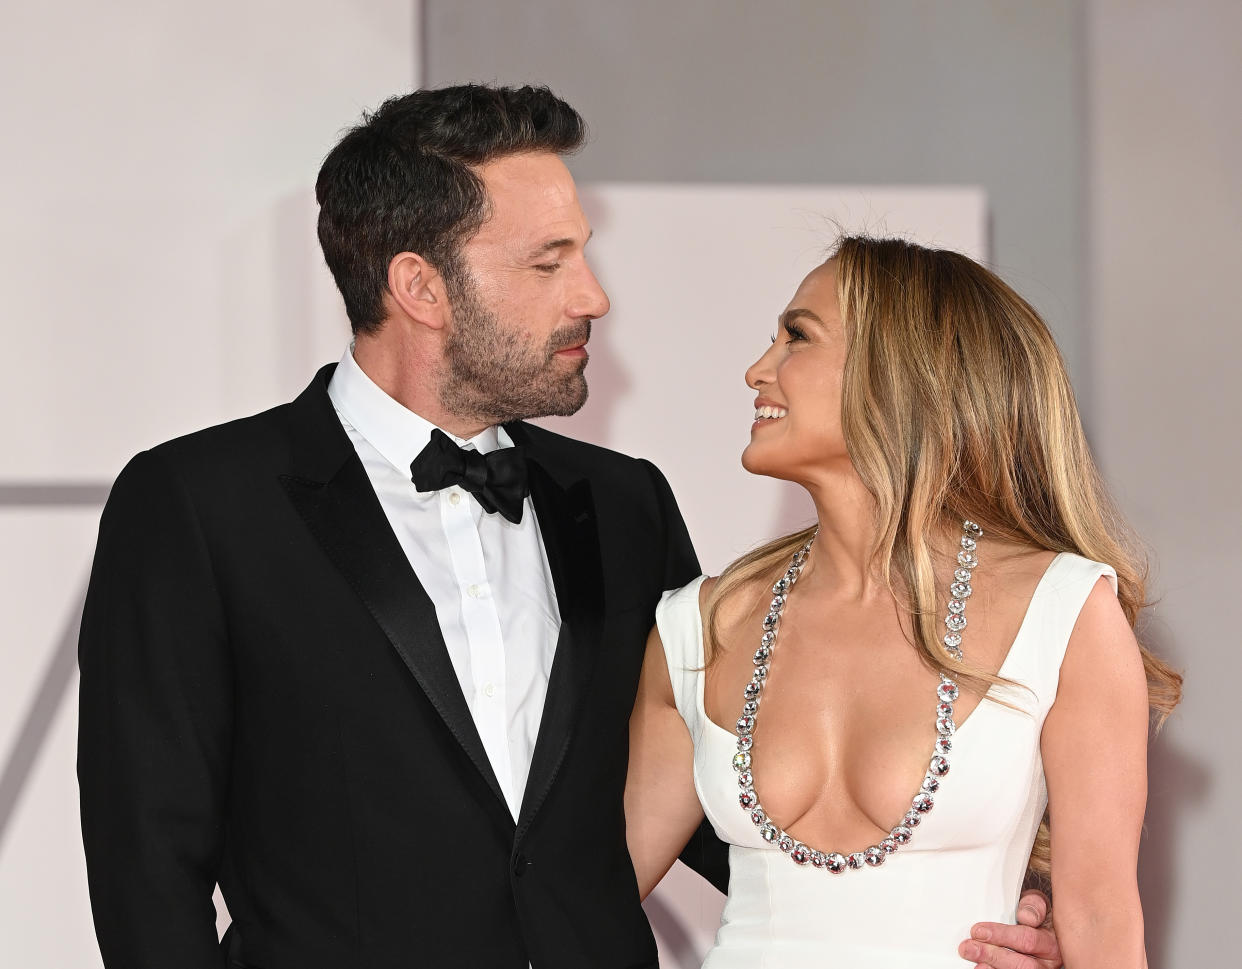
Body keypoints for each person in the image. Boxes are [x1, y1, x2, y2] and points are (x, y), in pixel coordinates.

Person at [77, 83, 1067, 969]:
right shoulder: (202, 505)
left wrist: (982, 909)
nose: (593, 297)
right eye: (549, 263)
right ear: (420, 287)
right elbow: (146, 874)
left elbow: (731, 799)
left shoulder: (624, 503)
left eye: (583, 256)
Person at [625, 236, 1182, 968]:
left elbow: (1104, 922)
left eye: (797, 336)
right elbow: (581, 889)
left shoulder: (1064, 612)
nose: (758, 370)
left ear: (896, 372)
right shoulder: (700, 627)